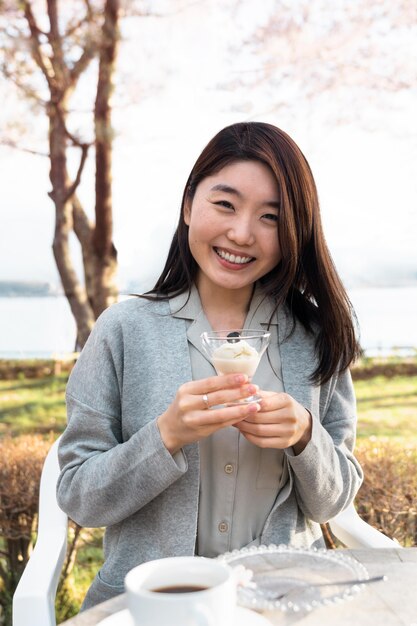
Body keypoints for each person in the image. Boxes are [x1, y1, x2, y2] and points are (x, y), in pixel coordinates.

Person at [57, 121, 363, 609]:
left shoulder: (315, 337)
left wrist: (307, 435)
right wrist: (165, 436)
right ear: (187, 206)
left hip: (283, 603)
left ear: (294, 232)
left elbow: (333, 500)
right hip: (151, 605)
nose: (242, 233)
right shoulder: (123, 329)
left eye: (271, 217)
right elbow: (79, 497)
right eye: (225, 204)